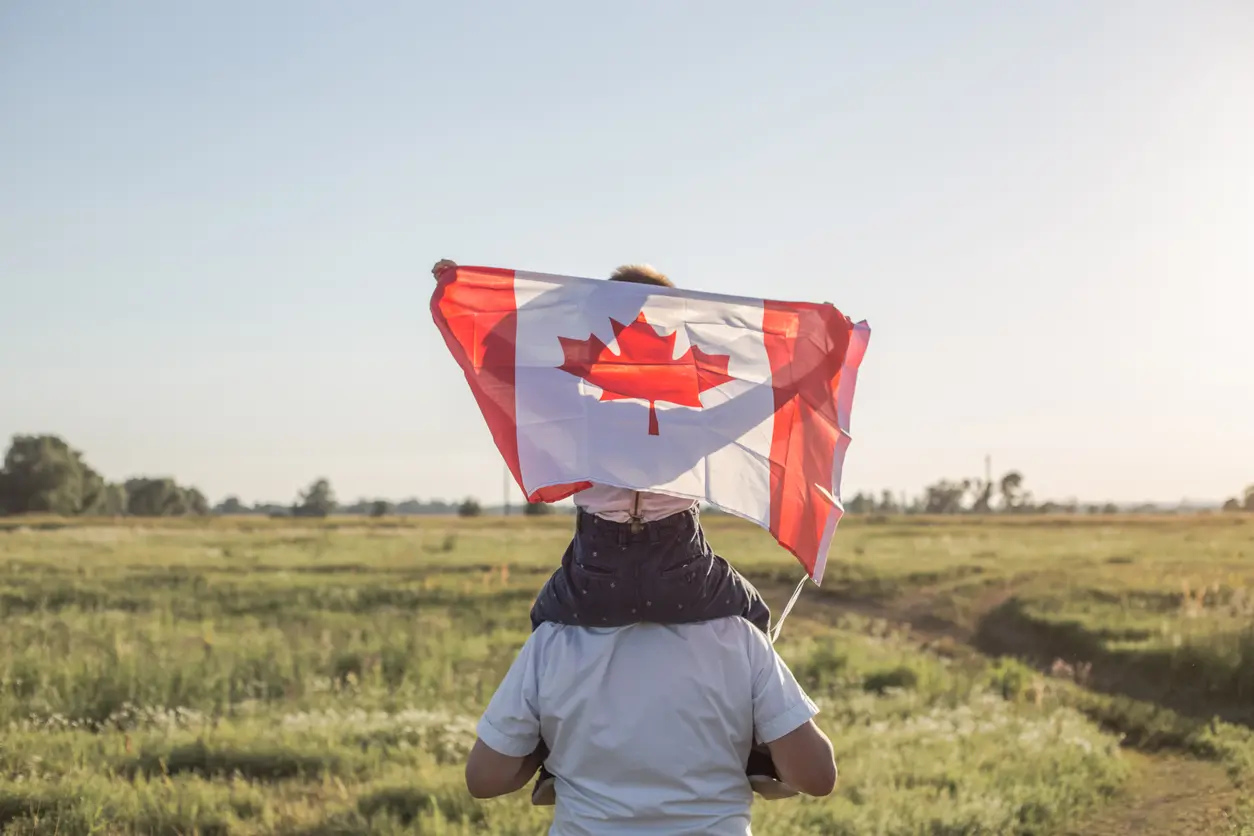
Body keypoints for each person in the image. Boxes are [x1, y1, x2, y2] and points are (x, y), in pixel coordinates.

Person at [431, 259, 786, 803]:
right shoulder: (692, 408)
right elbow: (759, 402)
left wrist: (460, 291)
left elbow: (499, 359)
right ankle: (761, 753)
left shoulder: (575, 405)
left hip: (596, 575)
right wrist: (821, 360)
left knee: (546, 619)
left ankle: (549, 759)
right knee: (752, 614)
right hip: (684, 574)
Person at [464, 615, 836, 834]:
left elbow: (484, 778)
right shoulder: (738, 636)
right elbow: (818, 776)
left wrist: (546, 746)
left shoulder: (553, 641)